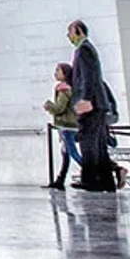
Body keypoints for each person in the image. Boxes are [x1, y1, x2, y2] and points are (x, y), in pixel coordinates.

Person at [68, 20, 116, 192]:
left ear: (79, 31)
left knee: (88, 143)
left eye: (70, 32)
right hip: (97, 103)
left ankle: (90, 180)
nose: (69, 36)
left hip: (92, 104)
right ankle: (106, 182)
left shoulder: (84, 49)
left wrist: (86, 99)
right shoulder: (86, 49)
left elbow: (89, 76)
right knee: (99, 146)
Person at [44, 62, 81, 190]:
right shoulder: (71, 88)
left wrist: (49, 106)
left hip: (66, 126)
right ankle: (60, 179)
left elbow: (59, 108)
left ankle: (91, 173)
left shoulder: (63, 90)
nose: (55, 73)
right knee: (65, 154)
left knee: (72, 153)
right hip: (70, 125)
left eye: (58, 71)